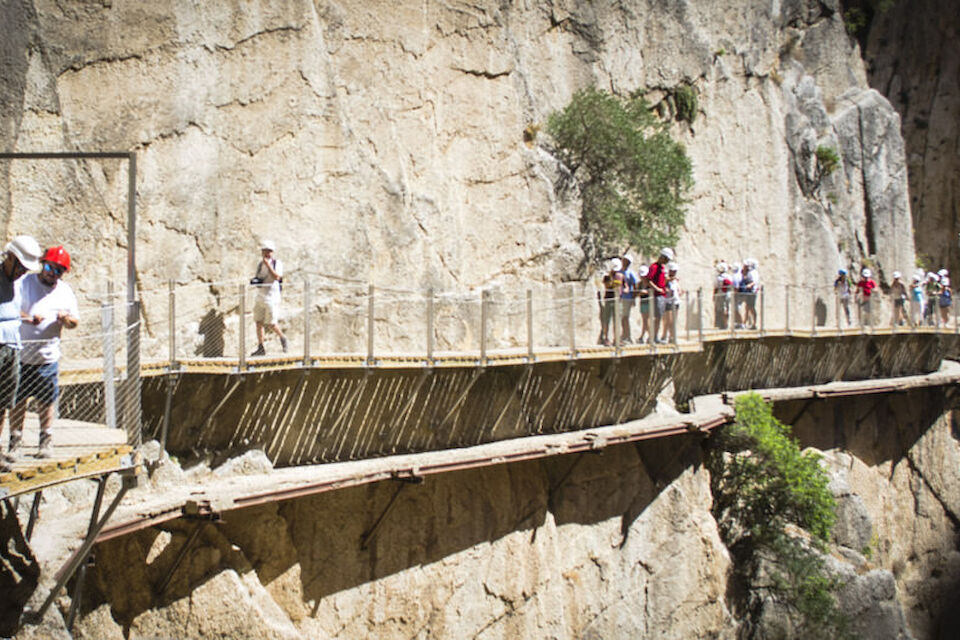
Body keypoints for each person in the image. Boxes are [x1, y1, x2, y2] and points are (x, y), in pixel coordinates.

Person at [9, 246, 79, 459]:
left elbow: (74, 321)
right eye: (49, 267)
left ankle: (45, 439)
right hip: (21, 354)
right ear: (42, 265)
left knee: (46, 400)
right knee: (17, 400)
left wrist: (65, 320)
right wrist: (27, 317)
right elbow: (9, 309)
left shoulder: (65, 291)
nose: (51, 273)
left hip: (47, 357)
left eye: (57, 270)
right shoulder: (24, 283)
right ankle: (15, 439)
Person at [0, 235, 42, 471]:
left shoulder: (18, 282)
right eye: (21, 267)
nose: (22, 273)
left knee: (3, 402)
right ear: (12, 258)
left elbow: (12, 313)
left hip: (13, 345)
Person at [250, 240, 288, 356]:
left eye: (269, 251)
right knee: (258, 322)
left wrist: (268, 265)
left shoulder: (277, 263)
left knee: (271, 324)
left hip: (272, 297)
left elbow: (277, 276)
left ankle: (282, 338)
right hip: (261, 296)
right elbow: (259, 277)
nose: (267, 253)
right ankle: (261, 347)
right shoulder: (260, 264)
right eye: (265, 251)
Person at [647, 248, 673, 344]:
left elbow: (662, 280)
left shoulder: (662, 267)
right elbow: (648, 280)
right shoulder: (654, 267)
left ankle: (655, 337)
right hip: (657, 295)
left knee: (659, 317)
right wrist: (657, 289)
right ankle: (652, 337)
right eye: (666, 259)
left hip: (662, 295)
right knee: (656, 317)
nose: (667, 261)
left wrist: (665, 285)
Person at [597, 258, 623, 346]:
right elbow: (608, 285)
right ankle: (606, 337)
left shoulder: (620, 276)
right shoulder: (607, 277)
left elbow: (621, 285)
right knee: (607, 320)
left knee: (617, 320)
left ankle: (617, 338)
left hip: (617, 299)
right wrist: (612, 279)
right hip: (609, 299)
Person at [619, 254, 638, 344]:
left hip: (627, 297)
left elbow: (635, 285)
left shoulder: (630, 273)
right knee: (622, 317)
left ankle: (627, 336)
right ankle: (624, 335)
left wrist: (633, 297)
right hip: (620, 297)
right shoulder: (619, 271)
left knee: (625, 317)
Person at [661, 262, 680, 343]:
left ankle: (671, 336)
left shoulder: (675, 280)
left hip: (675, 301)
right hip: (667, 301)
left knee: (673, 321)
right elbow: (663, 284)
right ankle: (666, 336)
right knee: (668, 320)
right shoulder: (666, 279)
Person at [740, 258, 760, 330]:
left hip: (752, 292)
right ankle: (745, 322)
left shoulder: (753, 273)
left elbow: (754, 281)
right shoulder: (750, 272)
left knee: (751, 307)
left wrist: (749, 285)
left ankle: (754, 323)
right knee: (747, 307)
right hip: (749, 291)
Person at [713, 262, 732, 329]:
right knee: (728, 308)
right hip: (728, 293)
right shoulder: (729, 276)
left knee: (722, 309)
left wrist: (714, 296)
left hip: (721, 293)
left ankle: (723, 324)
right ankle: (727, 323)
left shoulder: (718, 278)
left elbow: (716, 287)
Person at [636, 265, 651, 344]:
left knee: (647, 320)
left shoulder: (649, 283)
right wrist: (640, 293)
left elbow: (652, 292)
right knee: (644, 320)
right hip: (643, 302)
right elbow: (636, 293)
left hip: (649, 303)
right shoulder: (640, 284)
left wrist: (646, 292)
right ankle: (643, 336)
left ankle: (648, 336)